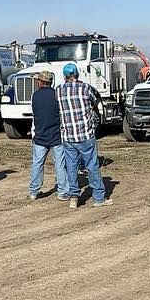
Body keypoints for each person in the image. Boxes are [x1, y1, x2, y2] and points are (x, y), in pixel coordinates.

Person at [56, 62, 110, 209]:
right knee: (92, 165)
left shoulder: (59, 90)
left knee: (71, 167)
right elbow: (95, 100)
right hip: (85, 133)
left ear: (65, 76)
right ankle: (99, 197)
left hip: (68, 135)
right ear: (77, 74)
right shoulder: (85, 88)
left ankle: (74, 197)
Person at [28, 70, 67, 200]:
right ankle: (62, 192)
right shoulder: (57, 94)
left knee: (37, 164)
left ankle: (34, 191)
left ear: (40, 82)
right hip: (56, 135)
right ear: (51, 82)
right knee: (60, 164)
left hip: (40, 135)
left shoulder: (35, 96)